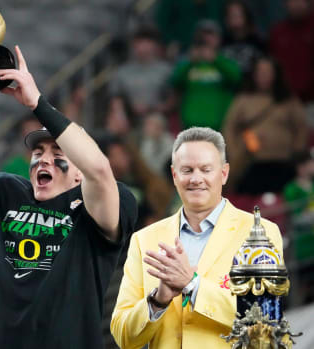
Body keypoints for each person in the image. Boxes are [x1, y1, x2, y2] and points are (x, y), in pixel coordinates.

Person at [0, 17, 137, 348]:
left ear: (78, 171)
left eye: (57, 150)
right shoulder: (4, 193)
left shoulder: (98, 206)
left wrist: (37, 105)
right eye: (38, 150)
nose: (44, 158)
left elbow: (99, 170)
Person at [110, 127, 284, 349]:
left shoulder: (261, 233)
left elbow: (263, 321)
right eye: (187, 170)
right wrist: (157, 301)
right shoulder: (144, 240)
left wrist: (192, 285)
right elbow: (123, 336)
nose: (196, 178)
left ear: (224, 173)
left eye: (206, 169)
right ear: (174, 175)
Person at [223, 56, 307, 194]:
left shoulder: (288, 100)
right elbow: (229, 127)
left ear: (276, 75)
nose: (264, 77)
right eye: (260, 72)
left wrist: (297, 153)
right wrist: (234, 151)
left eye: (268, 72)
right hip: (250, 163)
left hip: (283, 163)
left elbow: (301, 128)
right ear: (253, 75)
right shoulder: (243, 99)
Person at [171, 20, 241, 131]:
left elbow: (236, 79)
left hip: (219, 127)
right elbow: (175, 82)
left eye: (210, 34)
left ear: (218, 38)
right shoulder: (187, 61)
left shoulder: (226, 59)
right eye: (202, 34)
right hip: (191, 127)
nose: (206, 38)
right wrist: (190, 61)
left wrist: (216, 60)